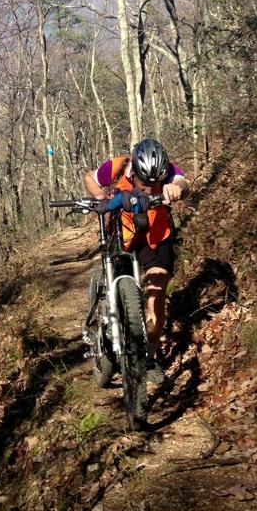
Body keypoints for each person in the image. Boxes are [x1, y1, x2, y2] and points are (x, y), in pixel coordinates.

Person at [84, 138, 189, 384]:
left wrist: (177, 189)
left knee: (156, 300)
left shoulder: (168, 171)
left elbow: (182, 183)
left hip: (156, 236)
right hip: (122, 234)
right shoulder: (118, 166)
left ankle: (148, 358)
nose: (151, 190)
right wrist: (101, 197)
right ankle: (110, 326)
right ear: (134, 172)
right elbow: (91, 178)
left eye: (157, 184)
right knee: (116, 286)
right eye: (145, 184)